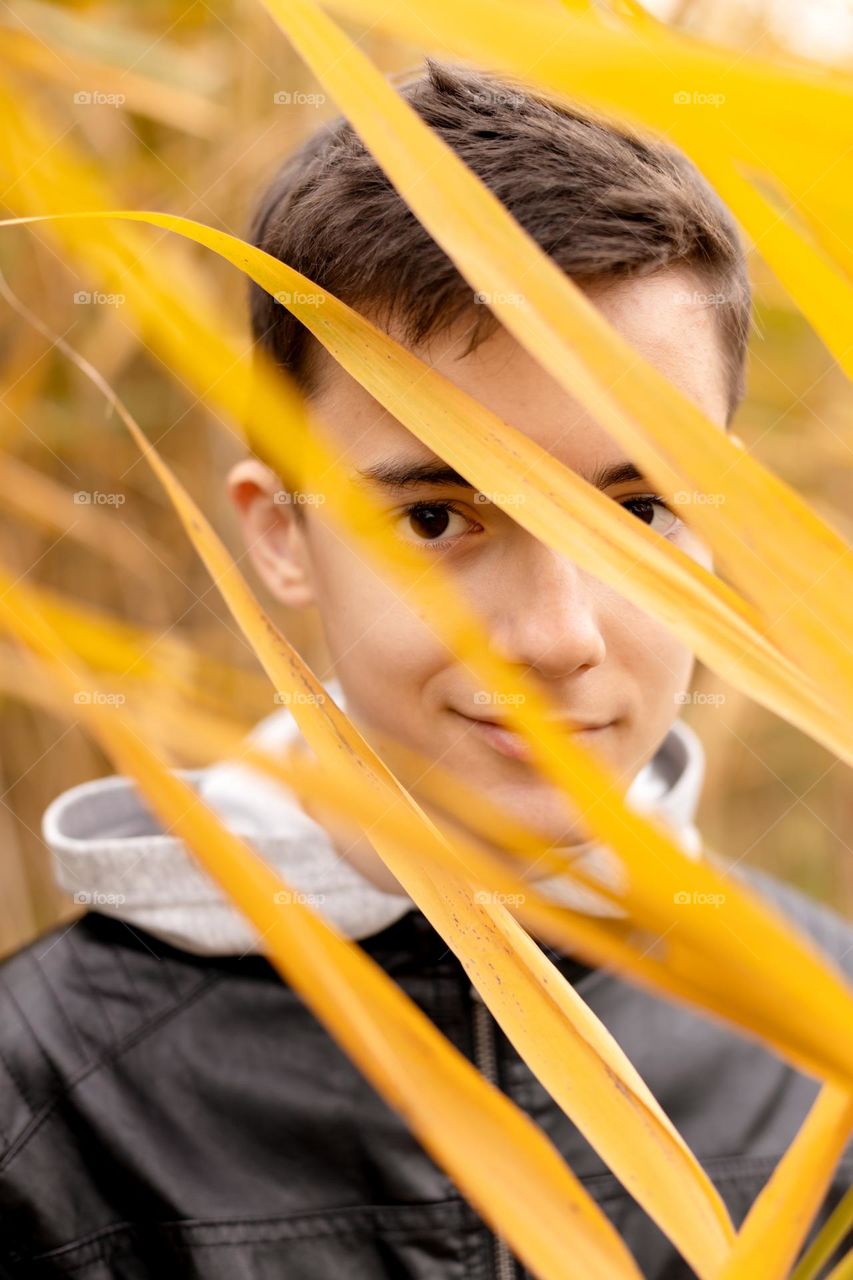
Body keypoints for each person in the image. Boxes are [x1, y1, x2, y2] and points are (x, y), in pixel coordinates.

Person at [1, 58, 850, 1279]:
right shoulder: (45, 1100)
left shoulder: (827, 1050)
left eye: (639, 513)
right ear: (281, 534)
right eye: (440, 518)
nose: (559, 636)